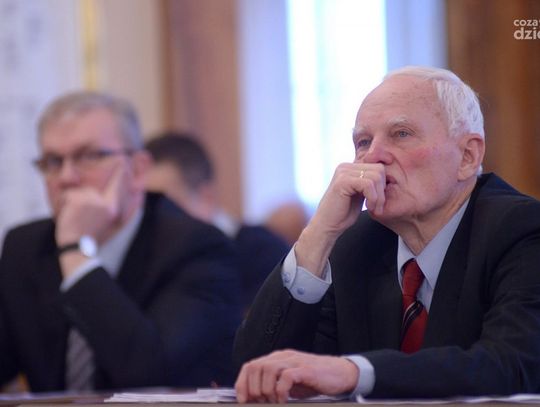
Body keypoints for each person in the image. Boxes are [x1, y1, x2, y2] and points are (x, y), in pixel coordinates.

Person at [233, 66, 540, 402]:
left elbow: (511, 366)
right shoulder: (356, 243)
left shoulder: (522, 230)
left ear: (467, 156)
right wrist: (318, 233)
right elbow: (259, 372)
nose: (373, 156)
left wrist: (354, 372)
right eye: (363, 142)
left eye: (401, 134)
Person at [0, 91, 243, 392]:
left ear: (138, 170)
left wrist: (75, 251)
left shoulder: (198, 248)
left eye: (89, 156)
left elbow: (150, 372)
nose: (66, 177)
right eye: (53, 161)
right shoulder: (24, 247)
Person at [145, 132, 290, 309]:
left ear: (206, 198)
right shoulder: (152, 263)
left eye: (167, 206)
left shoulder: (264, 255)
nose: (155, 218)